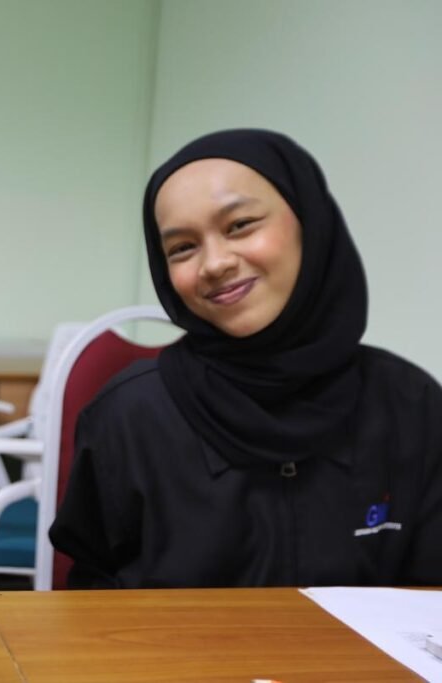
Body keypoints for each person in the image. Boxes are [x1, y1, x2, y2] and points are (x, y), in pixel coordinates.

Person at [49, 129, 442, 589]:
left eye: (239, 225)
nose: (215, 263)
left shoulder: (411, 405)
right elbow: (89, 597)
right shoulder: (129, 416)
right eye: (182, 247)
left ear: (309, 222)